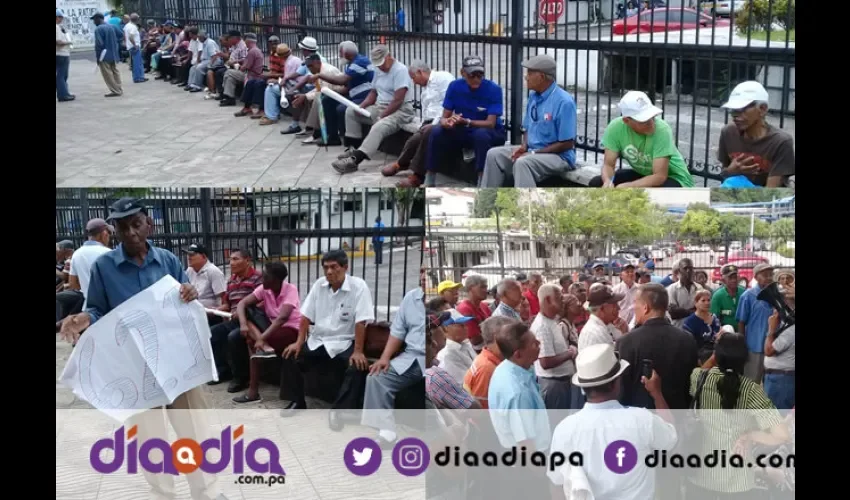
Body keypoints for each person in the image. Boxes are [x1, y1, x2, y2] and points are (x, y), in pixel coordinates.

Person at [58, 198, 226, 500]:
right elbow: (96, 308)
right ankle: (164, 494)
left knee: (195, 431)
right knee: (151, 440)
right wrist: (83, 317)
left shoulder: (167, 260)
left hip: (177, 363)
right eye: (123, 227)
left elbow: (183, 297)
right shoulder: (104, 267)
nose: (131, 232)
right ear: (116, 232)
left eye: (136, 224)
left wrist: (189, 291)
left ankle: (205, 493)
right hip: (135, 369)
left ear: (149, 224)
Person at [548, 343, 678, 500]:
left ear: (583, 387)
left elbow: (556, 482)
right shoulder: (643, 420)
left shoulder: (565, 429)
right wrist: (657, 394)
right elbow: (671, 438)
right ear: (615, 383)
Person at [685, 331, 789, 499]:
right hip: (737, 480)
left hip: (700, 474)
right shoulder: (751, 390)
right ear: (745, 360)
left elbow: (702, 370)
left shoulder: (699, 378)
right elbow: (782, 435)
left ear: (716, 355)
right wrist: (750, 435)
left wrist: (716, 356)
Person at [282, 250, 373, 423]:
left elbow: (361, 321)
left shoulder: (358, 286)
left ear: (345, 267)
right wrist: (299, 342)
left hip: (344, 341)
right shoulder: (319, 285)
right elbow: (305, 316)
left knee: (357, 367)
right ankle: (297, 401)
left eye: (334, 267)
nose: (329, 272)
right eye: (326, 268)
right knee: (290, 355)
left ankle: (339, 411)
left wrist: (359, 351)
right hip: (319, 340)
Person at [482, 55, 577, 188]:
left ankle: (526, 207)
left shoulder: (564, 102)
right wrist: (524, 147)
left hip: (559, 157)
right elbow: (527, 127)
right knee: (494, 154)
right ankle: (487, 204)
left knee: (523, 163)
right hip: (533, 151)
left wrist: (533, 153)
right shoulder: (534, 96)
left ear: (542, 77)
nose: (526, 77)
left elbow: (567, 143)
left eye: (530, 73)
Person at [331, 45, 417, 174]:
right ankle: (352, 148)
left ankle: (354, 160)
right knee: (350, 112)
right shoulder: (378, 70)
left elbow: (398, 100)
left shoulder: (400, 70)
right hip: (380, 105)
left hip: (400, 110)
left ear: (389, 56)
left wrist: (382, 115)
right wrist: (362, 106)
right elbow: (373, 91)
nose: (380, 66)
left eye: (381, 63)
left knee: (379, 126)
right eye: (377, 64)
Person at [486, 322, 549, 498]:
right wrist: (543, 476)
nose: (539, 344)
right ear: (518, 354)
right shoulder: (517, 392)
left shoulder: (509, 368)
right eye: (533, 343)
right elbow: (525, 446)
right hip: (527, 469)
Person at [423, 56, 507, 187]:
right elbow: (445, 116)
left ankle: (481, 180)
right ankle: (430, 177)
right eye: (472, 75)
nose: (476, 79)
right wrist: (447, 122)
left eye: (480, 75)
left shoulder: (493, 89)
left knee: (481, 135)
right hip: (464, 128)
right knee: (436, 132)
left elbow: (490, 123)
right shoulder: (455, 87)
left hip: (490, 132)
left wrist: (467, 121)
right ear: (463, 73)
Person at [361, 277, 425, 445]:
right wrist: (384, 358)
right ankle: (387, 432)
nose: (425, 276)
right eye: (422, 272)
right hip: (411, 356)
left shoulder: (440, 302)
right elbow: (397, 330)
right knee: (376, 377)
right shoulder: (411, 298)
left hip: (432, 357)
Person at [617, 283, 698, 410]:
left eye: (635, 303)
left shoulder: (626, 342)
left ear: (645, 308)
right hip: (678, 415)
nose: (633, 308)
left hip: (639, 419)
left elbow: (622, 390)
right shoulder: (687, 339)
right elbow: (691, 384)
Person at [589, 90, 694, 187]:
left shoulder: (662, 130)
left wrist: (630, 186)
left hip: (675, 178)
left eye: (652, 117)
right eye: (644, 121)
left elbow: (660, 176)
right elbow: (608, 165)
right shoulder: (615, 127)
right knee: (597, 183)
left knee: (651, 196)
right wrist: (608, 181)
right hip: (644, 175)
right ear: (626, 121)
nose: (651, 123)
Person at [232, 262, 301, 404]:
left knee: (252, 343)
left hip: (290, 329)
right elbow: (242, 303)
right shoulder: (264, 289)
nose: (262, 279)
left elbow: (282, 318)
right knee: (247, 312)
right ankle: (265, 348)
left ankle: (253, 391)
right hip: (270, 328)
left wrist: (262, 338)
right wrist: (243, 324)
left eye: (265, 276)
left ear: (275, 279)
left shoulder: (290, 289)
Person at [381, 59, 454, 187]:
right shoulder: (425, 89)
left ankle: (417, 176)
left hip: (443, 120)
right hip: (429, 121)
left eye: (414, 78)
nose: (414, 82)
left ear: (420, 72)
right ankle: (401, 164)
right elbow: (426, 110)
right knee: (413, 140)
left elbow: (448, 105)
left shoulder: (443, 78)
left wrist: (435, 123)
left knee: (427, 135)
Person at [719, 81, 795, 187]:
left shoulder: (781, 142)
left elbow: (770, 192)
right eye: (733, 110)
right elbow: (725, 174)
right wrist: (731, 172)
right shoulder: (728, 133)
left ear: (762, 109)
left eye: (741, 110)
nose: (735, 116)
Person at [207, 248, 263, 392]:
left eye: (236, 259)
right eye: (230, 259)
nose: (231, 263)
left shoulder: (258, 278)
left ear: (248, 260)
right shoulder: (231, 280)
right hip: (233, 319)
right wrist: (217, 309)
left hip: (251, 321)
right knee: (212, 333)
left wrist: (243, 312)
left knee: (234, 337)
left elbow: (262, 302)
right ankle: (223, 371)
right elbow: (227, 304)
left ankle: (241, 378)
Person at [303, 41, 374, 145]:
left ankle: (349, 140)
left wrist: (319, 75)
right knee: (327, 100)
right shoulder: (350, 64)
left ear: (347, 54)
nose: (339, 55)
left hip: (365, 95)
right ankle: (332, 137)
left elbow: (342, 81)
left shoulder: (360, 62)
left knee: (341, 109)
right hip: (354, 94)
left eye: (340, 53)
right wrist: (332, 93)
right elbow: (347, 87)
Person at [532, 284, 577, 409]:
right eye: (559, 298)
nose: (563, 301)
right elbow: (545, 362)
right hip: (553, 386)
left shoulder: (551, 321)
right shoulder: (543, 326)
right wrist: (569, 353)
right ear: (547, 300)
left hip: (561, 384)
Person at [736, 263, 775, 382]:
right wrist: (742, 345)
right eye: (764, 275)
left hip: (773, 347)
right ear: (756, 277)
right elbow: (741, 322)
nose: (768, 278)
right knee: (751, 382)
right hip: (754, 346)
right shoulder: (748, 296)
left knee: (769, 382)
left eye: (770, 275)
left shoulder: (776, 295)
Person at [464, 316, 513, 408]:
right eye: (511, 335)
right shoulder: (487, 369)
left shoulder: (490, 360)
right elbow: (482, 410)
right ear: (497, 338)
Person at [67, 219, 114, 310]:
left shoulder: (77, 254)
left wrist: (87, 289)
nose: (109, 236)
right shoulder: (109, 253)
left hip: (88, 308)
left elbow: (72, 284)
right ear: (104, 234)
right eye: (108, 233)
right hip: (109, 308)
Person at [258, 44, 303, 125]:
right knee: (271, 86)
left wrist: (276, 81)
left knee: (270, 89)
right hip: (294, 85)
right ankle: (274, 113)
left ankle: (271, 116)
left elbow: (287, 80)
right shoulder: (294, 59)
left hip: (296, 87)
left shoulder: (289, 63)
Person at [184, 243, 227, 324]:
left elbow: (223, 299)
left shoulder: (213, 271)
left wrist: (216, 311)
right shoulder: (190, 270)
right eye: (188, 254)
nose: (189, 257)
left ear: (203, 256)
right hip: (192, 313)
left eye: (192, 255)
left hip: (210, 316)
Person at [578, 283, 627, 351]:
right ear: (602, 309)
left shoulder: (605, 326)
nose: (619, 308)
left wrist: (624, 333)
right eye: (614, 305)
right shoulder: (594, 333)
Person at [434, 309, 478, 384]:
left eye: (465, 325)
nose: (466, 328)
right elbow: (465, 383)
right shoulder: (447, 354)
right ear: (445, 329)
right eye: (461, 325)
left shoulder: (465, 344)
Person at [763, 308, 795, 410]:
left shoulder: (792, 329)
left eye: (776, 310)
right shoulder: (783, 326)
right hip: (776, 379)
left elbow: (769, 351)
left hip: (782, 381)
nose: (773, 314)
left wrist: (771, 329)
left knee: (778, 421)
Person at [222, 33, 263, 108]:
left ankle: (224, 93)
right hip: (251, 74)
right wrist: (237, 62)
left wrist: (239, 66)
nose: (244, 43)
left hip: (251, 76)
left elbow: (245, 67)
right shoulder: (255, 50)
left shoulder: (252, 52)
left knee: (228, 72)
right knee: (230, 78)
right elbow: (246, 61)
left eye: (245, 41)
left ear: (248, 41)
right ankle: (229, 97)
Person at [683, 289, 721, 364]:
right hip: (699, 360)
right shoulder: (689, 322)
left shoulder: (715, 318)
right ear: (696, 303)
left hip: (716, 357)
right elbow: (688, 345)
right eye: (703, 300)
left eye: (709, 300)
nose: (707, 303)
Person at [455, 275, 491, 350]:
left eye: (486, 287)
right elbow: (475, 340)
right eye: (482, 287)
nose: (486, 290)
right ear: (471, 288)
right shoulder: (464, 309)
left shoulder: (484, 306)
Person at [91, 13, 123, 98]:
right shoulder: (112, 26)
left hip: (104, 54)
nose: (94, 22)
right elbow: (121, 35)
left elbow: (99, 44)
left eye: (94, 20)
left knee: (107, 74)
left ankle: (115, 90)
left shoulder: (98, 29)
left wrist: (98, 58)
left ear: (98, 19)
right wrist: (115, 43)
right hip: (114, 53)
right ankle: (119, 88)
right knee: (115, 71)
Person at [667, 258, 704, 328]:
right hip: (678, 329)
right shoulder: (672, 289)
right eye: (685, 268)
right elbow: (673, 313)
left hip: (695, 328)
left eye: (691, 268)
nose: (688, 271)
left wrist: (681, 311)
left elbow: (702, 310)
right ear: (679, 271)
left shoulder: (699, 288)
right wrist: (693, 311)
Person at [55, 9, 74, 102]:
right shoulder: (56, 27)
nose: (61, 19)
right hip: (61, 53)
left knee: (61, 75)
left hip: (58, 54)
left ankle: (64, 93)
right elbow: (58, 41)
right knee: (61, 76)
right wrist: (68, 42)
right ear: (57, 17)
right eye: (60, 17)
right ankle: (63, 95)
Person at [124, 14, 148, 83]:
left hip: (130, 46)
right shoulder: (133, 27)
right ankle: (139, 78)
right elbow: (131, 37)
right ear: (137, 19)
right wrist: (135, 45)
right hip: (134, 47)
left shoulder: (127, 25)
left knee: (135, 63)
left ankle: (138, 77)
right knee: (138, 63)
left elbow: (125, 35)